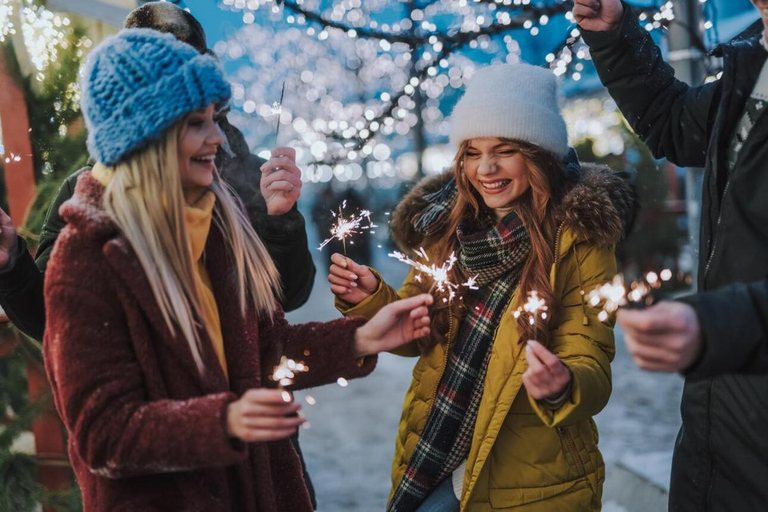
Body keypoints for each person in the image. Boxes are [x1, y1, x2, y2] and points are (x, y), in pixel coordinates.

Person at [42, 28, 433, 511]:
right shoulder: (86, 257)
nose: (217, 138)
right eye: (195, 123)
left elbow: (265, 351)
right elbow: (102, 434)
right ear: (144, 134)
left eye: (215, 119)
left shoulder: (221, 225)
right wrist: (222, 421)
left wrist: (358, 339)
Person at [328, 64, 637, 511]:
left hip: (528, 472)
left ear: (537, 155)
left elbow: (591, 357)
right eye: (472, 152)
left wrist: (561, 383)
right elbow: (421, 330)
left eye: (504, 150)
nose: (485, 168)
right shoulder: (446, 225)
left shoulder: (577, 240)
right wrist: (372, 299)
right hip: (436, 446)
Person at [0, 1, 315, 344]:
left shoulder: (247, 177)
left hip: (245, 390)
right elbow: (58, 321)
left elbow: (283, 301)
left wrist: (281, 223)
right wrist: (12, 265)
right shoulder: (90, 192)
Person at [573, 0, 768, 509]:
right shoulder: (752, 65)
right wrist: (616, 35)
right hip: (719, 422)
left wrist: (725, 324)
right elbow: (674, 123)